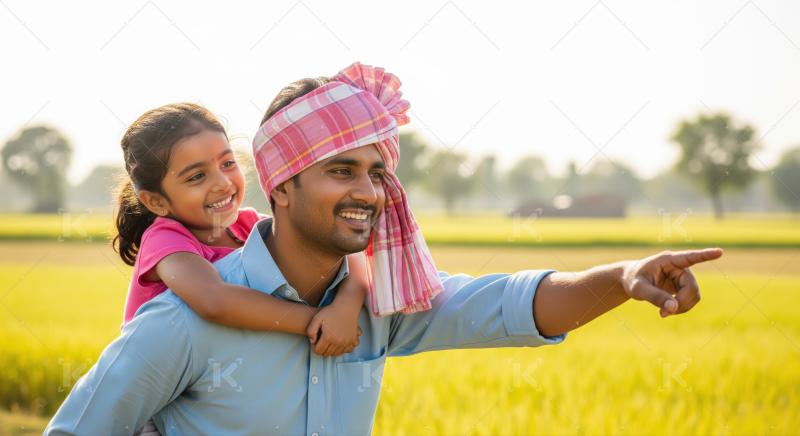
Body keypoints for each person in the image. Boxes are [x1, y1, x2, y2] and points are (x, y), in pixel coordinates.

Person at [45, 63, 722, 435]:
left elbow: (513, 306)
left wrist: (625, 276)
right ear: (281, 185)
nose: (368, 192)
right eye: (343, 171)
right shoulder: (183, 322)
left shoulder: (380, 302)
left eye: (377, 172)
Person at [113, 102, 366, 356]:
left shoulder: (249, 225)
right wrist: (316, 321)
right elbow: (214, 301)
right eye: (196, 177)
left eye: (227, 164)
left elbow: (337, 249)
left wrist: (346, 306)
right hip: (161, 382)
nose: (223, 183)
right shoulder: (165, 240)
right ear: (156, 201)